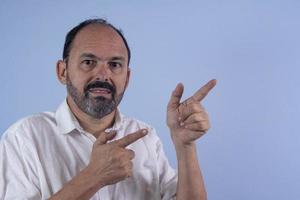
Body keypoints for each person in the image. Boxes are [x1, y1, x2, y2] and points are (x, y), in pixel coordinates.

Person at [0, 18, 216, 200]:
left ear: (127, 78)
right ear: (62, 71)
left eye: (115, 65)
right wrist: (94, 177)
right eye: (88, 62)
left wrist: (185, 147)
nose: (103, 75)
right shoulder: (23, 138)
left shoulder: (145, 137)